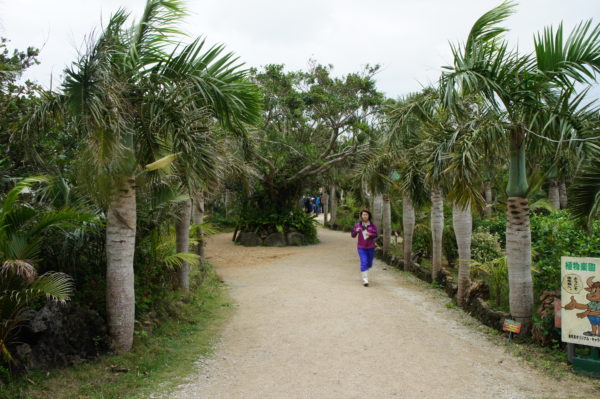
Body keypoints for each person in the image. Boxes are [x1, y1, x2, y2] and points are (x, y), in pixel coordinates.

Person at [350, 209, 378, 286]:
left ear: (369, 216)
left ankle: (366, 268)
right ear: (361, 216)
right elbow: (353, 235)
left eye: (366, 214)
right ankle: (365, 280)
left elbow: (376, 235)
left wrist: (370, 234)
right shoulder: (358, 225)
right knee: (364, 262)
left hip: (371, 247)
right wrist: (356, 231)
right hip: (361, 247)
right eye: (363, 215)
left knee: (369, 263)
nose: (365, 216)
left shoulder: (372, 226)